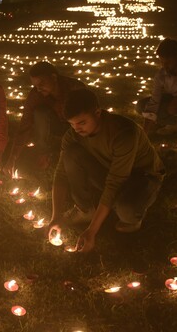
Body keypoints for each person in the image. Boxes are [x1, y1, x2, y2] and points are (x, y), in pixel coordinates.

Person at [48, 88, 165, 254]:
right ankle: (86, 210)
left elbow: (114, 183)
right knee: (71, 153)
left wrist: (92, 231)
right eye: (72, 124)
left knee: (126, 210)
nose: (77, 129)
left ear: (97, 113)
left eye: (82, 122)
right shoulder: (73, 135)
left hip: (141, 176)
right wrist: (56, 216)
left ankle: (133, 216)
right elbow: (61, 174)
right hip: (109, 168)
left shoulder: (124, 133)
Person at [4, 61, 85, 174]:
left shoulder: (74, 88)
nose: (38, 88)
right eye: (35, 85)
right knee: (39, 113)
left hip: (76, 126)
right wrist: (13, 157)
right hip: (54, 125)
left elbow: (87, 117)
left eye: (41, 83)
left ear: (53, 77)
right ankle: (44, 152)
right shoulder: (36, 95)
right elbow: (25, 125)